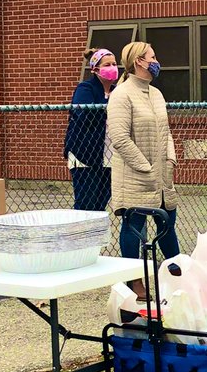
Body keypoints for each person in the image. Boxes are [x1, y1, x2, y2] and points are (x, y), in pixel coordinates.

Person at [108, 41, 181, 267]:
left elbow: (165, 130)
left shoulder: (156, 94)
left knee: (167, 224)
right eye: (152, 57)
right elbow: (119, 138)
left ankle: (178, 272)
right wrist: (145, 167)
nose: (156, 62)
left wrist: (170, 159)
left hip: (162, 176)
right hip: (134, 177)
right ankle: (133, 279)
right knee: (134, 228)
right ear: (139, 61)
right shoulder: (122, 94)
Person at [64, 48, 118, 211]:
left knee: (101, 204)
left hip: (109, 156)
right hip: (85, 156)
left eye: (114, 64)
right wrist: (109, 107)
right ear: (95, 69)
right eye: (107, 64)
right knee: (86, 204)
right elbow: (85, 115)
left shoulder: (117, 91)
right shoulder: (85, 89)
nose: (113, 67)